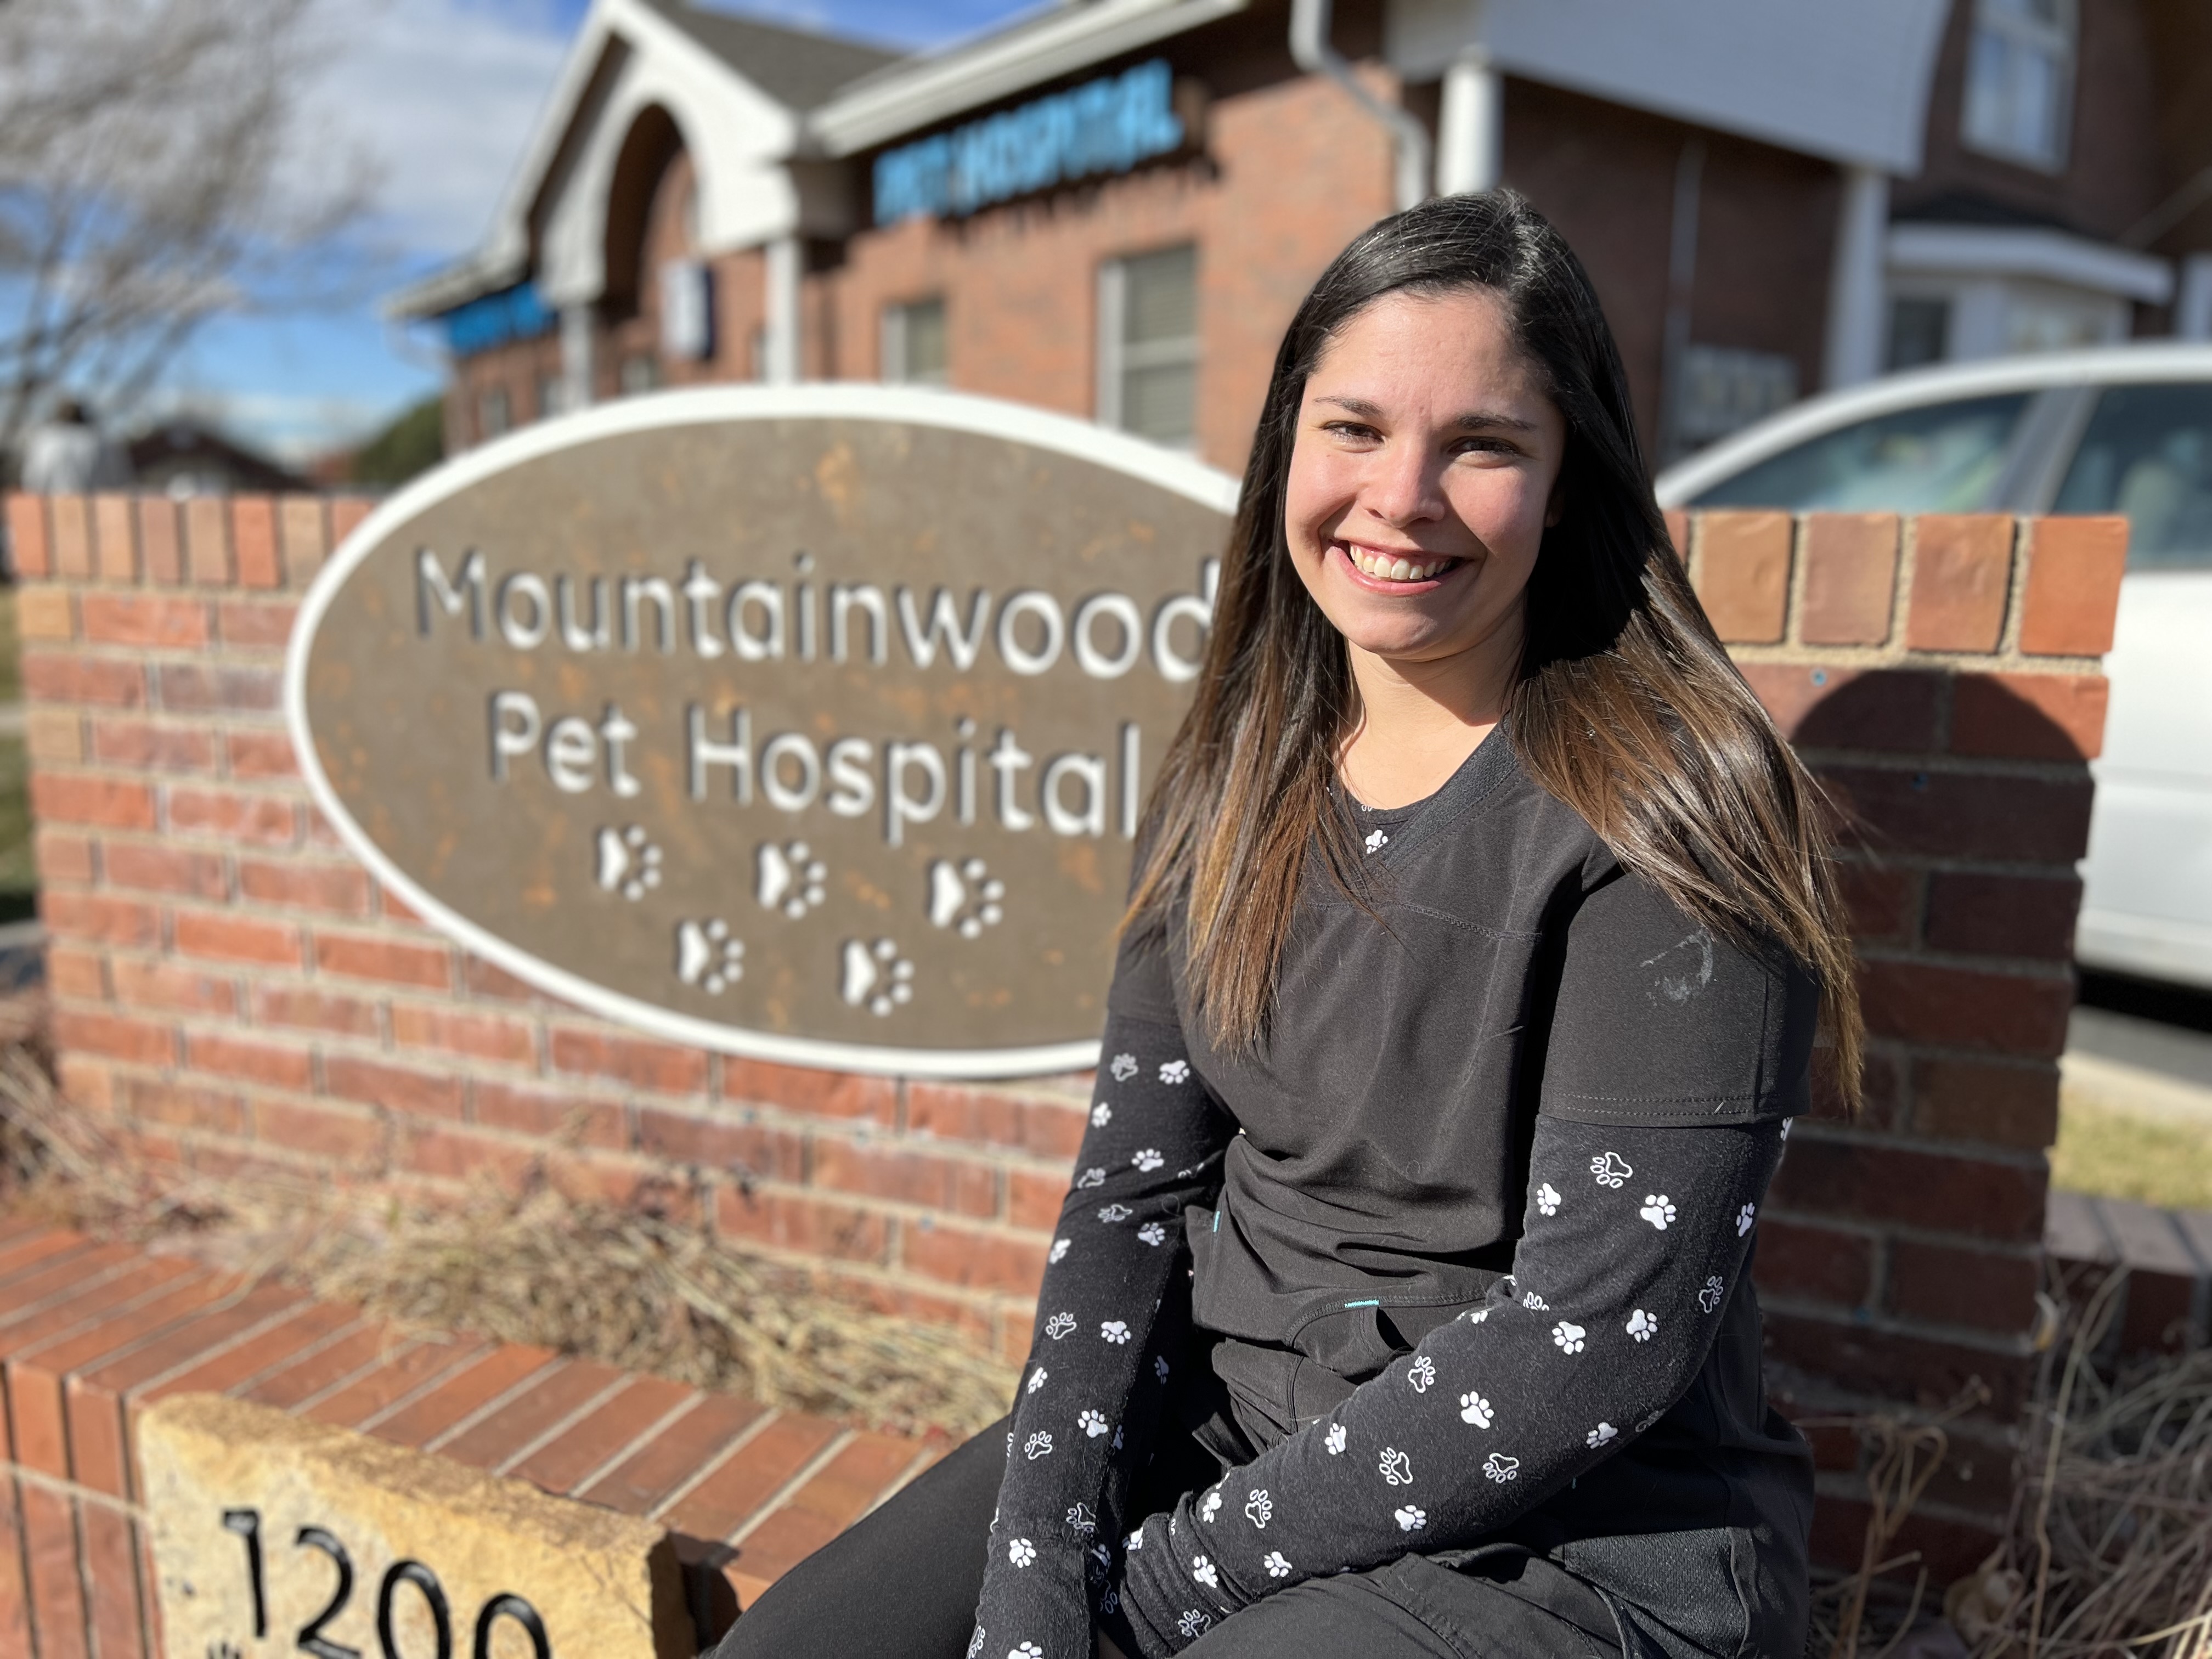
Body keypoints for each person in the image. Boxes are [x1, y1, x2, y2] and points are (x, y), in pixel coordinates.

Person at [708, 191, 1859, 1659]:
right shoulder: (1234, 776)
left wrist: (1170, 1585)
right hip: (1228, 1433)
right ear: (1288, 445)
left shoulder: (1669, 797)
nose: (1403, 496)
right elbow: (1131, 1200)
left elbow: (1597, 1340)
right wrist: (1042, 1556)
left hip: (1573, 1533)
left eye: (1484, 444)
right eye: (1358, 429)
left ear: (1567, 481)